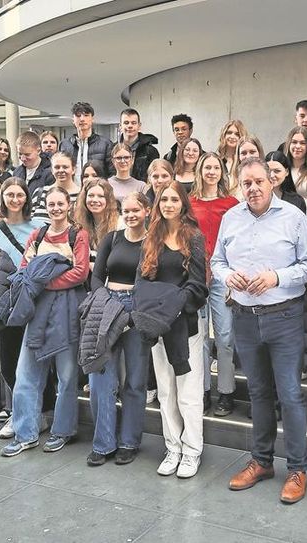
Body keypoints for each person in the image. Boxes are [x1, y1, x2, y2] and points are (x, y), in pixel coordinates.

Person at [212, 157, 307, 504]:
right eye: (246, 183)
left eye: (259, 181)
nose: (253, 188)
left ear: (272, 181)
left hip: (284, 316)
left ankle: (298, 468)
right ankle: (261, 461)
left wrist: (276, 277)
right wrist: (228, 277)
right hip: (244, 316)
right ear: (240, 186)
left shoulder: (293, 217)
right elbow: (216, 262)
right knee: (257, 394)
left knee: (290, 394)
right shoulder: (231, 218)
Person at [1, 187, 90, 456]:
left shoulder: (78, 235)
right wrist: (45, 280)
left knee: (66, 377)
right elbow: (24, 270)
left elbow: (80, 272)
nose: (55, 208)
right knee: (25, 375)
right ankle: (25, 432)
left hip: (66, 313)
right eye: (51, 204)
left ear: (68, 206)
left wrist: (45, 282)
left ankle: (62, 430)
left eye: (60, 203)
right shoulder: (37, 235)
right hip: (37, 313)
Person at [137, 181, 207, 478]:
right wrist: (157, 311)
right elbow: (143, 280)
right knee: (166, 391)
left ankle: (191, 451)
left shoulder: (194, 237)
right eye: (163, 199)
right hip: (158, 325)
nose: (168, 204)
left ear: (182, 204)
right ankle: (173, 447)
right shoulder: (151, 237)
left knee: (188, 392)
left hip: (185, 324)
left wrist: (174, 304)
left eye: (173, 200)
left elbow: (198, 284)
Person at [0, 178, 49, 440]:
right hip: (5, 302)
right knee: (8, 362)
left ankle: (38, 413)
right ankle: (19, 411)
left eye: (20, 195)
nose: (15, 199)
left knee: (35, 362)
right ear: (3, 198)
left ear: (27, 198)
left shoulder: (40, 226)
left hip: (34, 300)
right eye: (10, 194)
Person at [86, 192, 153, 466]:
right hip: (108, 307)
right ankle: (103, 443)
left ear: (147, 210)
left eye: (136, 209)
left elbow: (154, 280)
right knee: (102, 378)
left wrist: (133, 311)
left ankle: (129, 441)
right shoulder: (111, 239)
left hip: (137, 310)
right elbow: (97, 277)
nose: (130, 215)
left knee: (135, 381)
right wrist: (107, 305)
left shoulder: (153, 243)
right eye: (126, 211)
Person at [189, 153, 240, 416]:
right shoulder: (190, 202)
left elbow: (238, 242)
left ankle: (226, 392)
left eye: (216, 167)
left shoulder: (232, 204)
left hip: (221, 277)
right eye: (207, 167)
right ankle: (204, 390)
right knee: (199, 338)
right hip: (196, 277)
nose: (211, 171)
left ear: (222, 171)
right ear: (200, 170)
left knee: (224, 336)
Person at [59, 101, 113, 181]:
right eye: (78, 116)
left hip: (96, 191)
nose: (82, 119)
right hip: (72, 191)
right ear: (73, 120)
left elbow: (112, 172)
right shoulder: (65, 144)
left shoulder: (105, 143)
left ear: (92, 119)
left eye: (86, 115)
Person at [75, 178, 120, 271]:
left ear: (108, 200)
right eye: (91, 195)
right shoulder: (79, 224)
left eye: (100, 196)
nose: (95, 200)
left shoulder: (120, 224)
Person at [31, 152, 80, 222]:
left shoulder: (81, 195)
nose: (61, 170)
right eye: (57, 167)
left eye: (65, 167)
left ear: (73, 169)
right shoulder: (40, 193)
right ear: (52, 170)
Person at [282, 127, 307, 210]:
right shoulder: (281, 169)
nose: (297, 146)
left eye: (303, 143)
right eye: (294, 142)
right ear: (288, 144)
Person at [118, 108, 159, 182]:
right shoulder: (112, 149)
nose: (130, 126)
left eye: (133, 123)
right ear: (120, 126)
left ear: (139, 126)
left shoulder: (151, 151)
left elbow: (154, 177)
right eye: (126, 123)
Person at [216, 120, 247, 184]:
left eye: (237, 134)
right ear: (224, 135)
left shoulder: (244, 161)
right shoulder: (217, 160)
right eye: (229, 133)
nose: (232, 137)